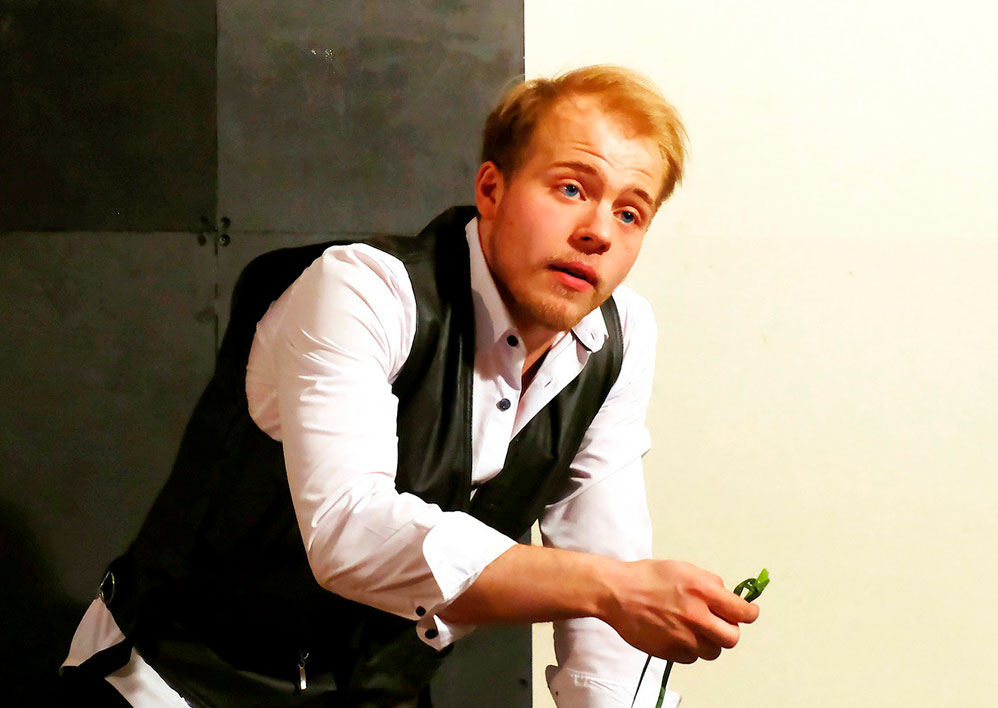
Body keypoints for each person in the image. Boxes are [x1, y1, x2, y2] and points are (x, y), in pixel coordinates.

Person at [60, 65, 759, 707]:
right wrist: (609, 589)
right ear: (491, 190)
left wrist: (615, 601)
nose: (598, 233)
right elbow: (350, 532)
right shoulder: (363, 290)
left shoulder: (617, 337)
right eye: (572, 188)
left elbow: (609, 579)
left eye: (630, 213)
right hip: (174, 684)